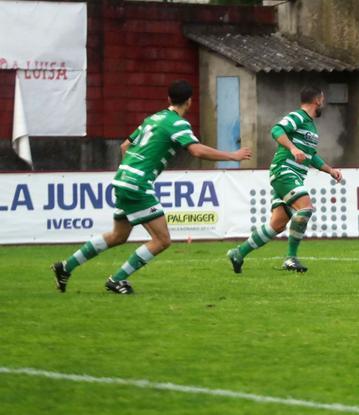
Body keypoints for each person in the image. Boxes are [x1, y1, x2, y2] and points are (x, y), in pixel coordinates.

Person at [51, 80, 252, 294]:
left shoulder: (153, 119)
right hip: (137, 184)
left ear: (168, 99)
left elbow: (125, 145)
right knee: (162, 240)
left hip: (122, 179)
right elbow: (197, 151)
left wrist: (132, 169)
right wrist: (232, 155)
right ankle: (116, 280)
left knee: (118, 235)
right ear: (190, 102)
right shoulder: (177, 123)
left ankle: (66, 267)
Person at [226, 86, 343, 274]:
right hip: (284, 171)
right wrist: (293, 148)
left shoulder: (311, 126)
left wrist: (330, 170)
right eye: (323, 99)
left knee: (277, 224)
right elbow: (277, 129)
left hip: (291, 174)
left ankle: (238, 253)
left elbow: (311, 156)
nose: (324, 102)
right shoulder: (299, 116)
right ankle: (291, 258)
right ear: (318, 100)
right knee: (305, 209)